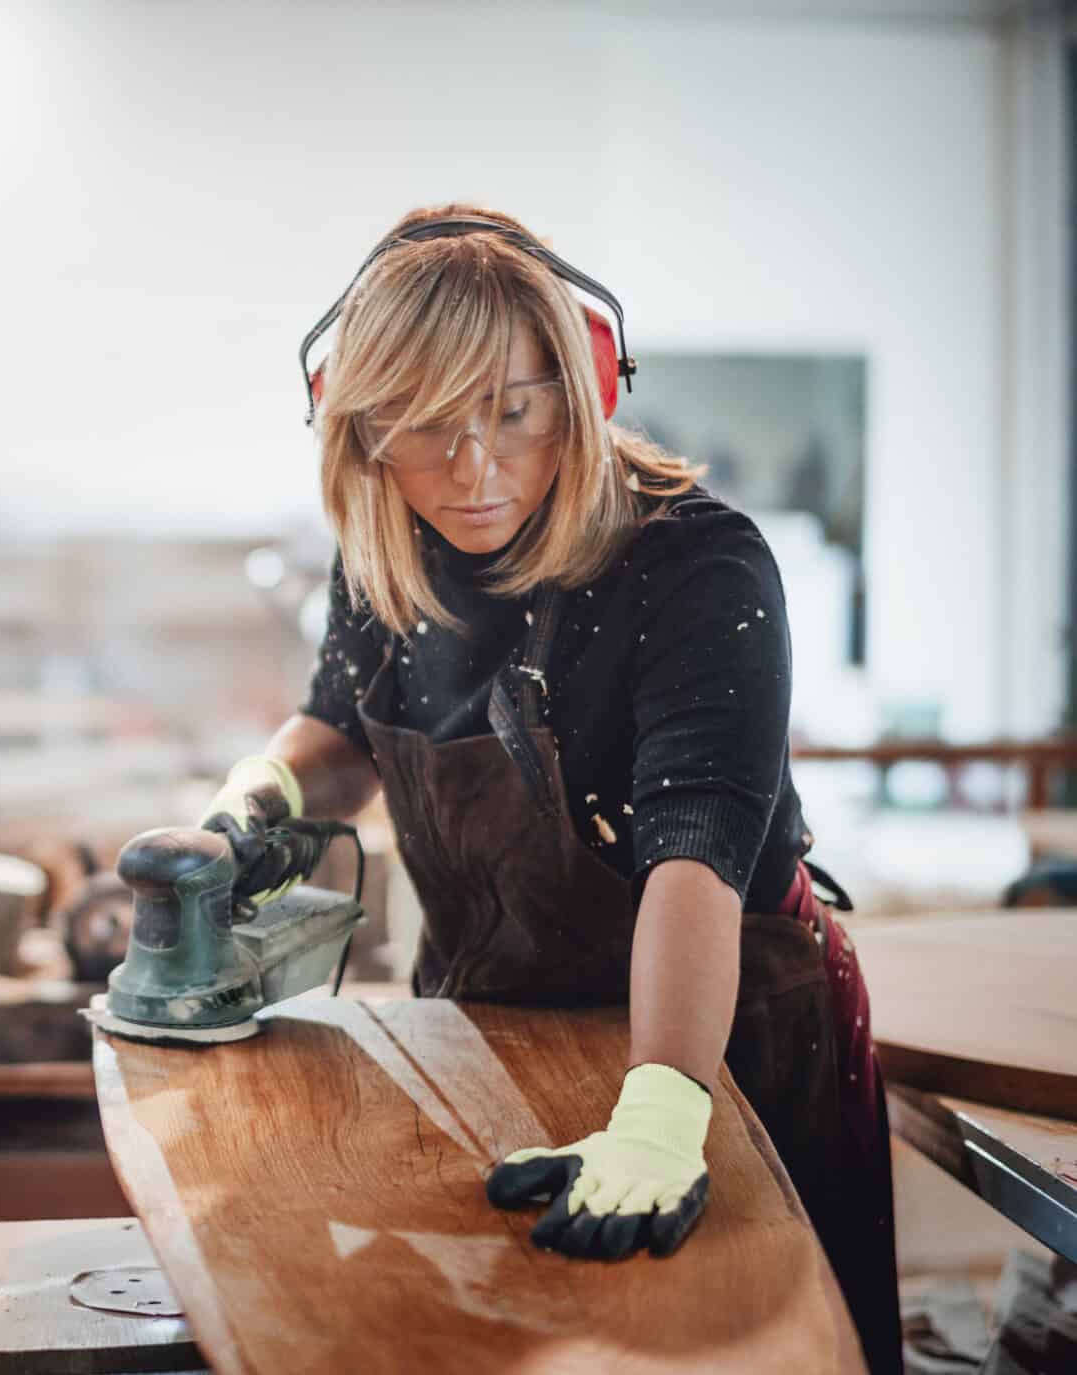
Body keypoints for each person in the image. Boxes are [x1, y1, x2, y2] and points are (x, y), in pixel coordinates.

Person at [201, 204, 901, 1373]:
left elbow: (691, 853)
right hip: (493, 1023)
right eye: (422, 428)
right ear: (358, 428)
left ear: (581, 386)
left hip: (721, 1036)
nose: (471, 469)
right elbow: (339, 726)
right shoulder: (388, 547)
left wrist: (665, 1108)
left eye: (511, 412)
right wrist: (259, 794)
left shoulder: (694, 565)